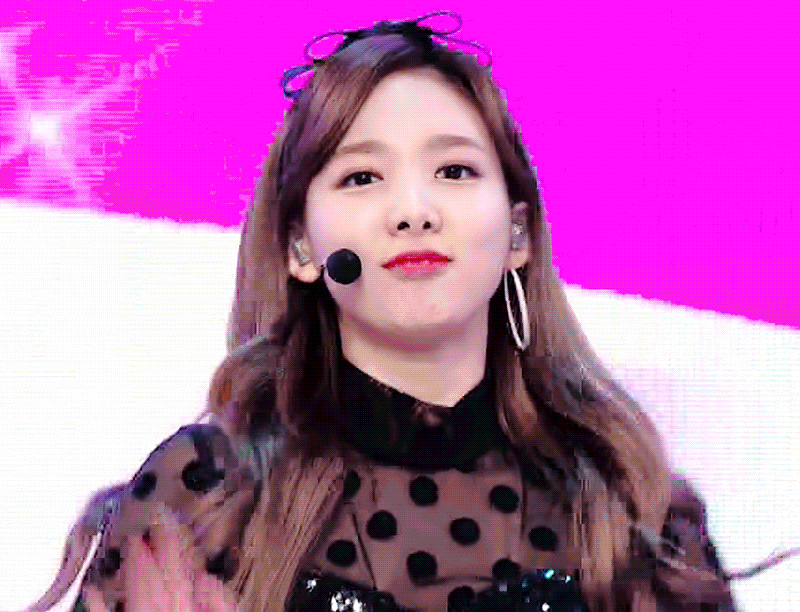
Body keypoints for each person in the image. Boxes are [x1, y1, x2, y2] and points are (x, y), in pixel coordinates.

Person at [23, 12, 796, 612]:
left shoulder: (633, 516)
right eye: (362, 178)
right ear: (300, 246)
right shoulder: (207, 497)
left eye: (454, 170)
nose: (414, 210)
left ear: (518, 234)